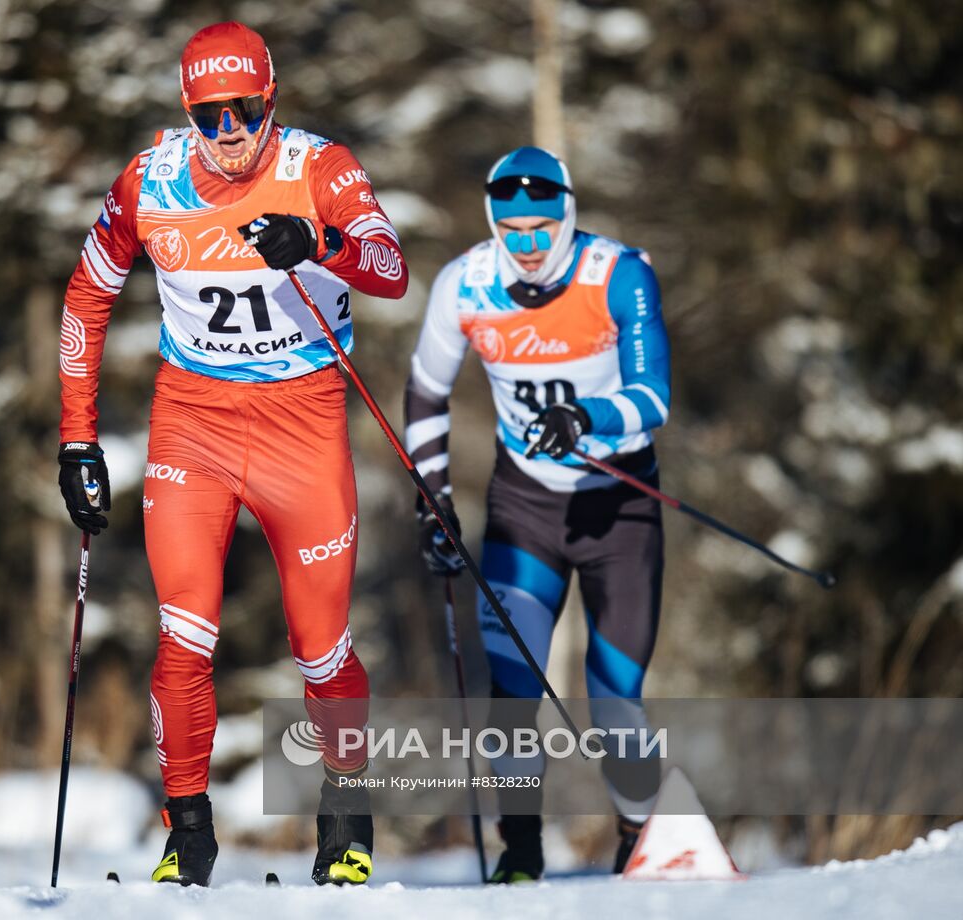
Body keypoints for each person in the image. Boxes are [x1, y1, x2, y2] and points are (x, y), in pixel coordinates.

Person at [56, 21, 409, 887]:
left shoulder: (318, 168)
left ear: (270, 101)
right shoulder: (153, 179)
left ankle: (345, 819)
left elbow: (391, 267)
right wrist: (77, 438)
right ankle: (189, 834)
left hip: (304, 420)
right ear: (188, 111)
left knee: (320, 646)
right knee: (184, 635)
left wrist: (320, 245)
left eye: (244, 112)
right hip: (195, 423)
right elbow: (84, 300)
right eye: (210, 116)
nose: (229, 133)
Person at [403, 146, 671, 882]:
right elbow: (426, 390)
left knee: (613, 691)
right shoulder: (467, 283)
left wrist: (585, 416)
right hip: (525, 509)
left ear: (567, 218)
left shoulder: (617, 273)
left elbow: (654, 396)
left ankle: (638, 843)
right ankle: (520, 853)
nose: (525, 245)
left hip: (620, 508)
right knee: (514, 687)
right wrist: (434, 500)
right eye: (510, 229)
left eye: (540, 229)